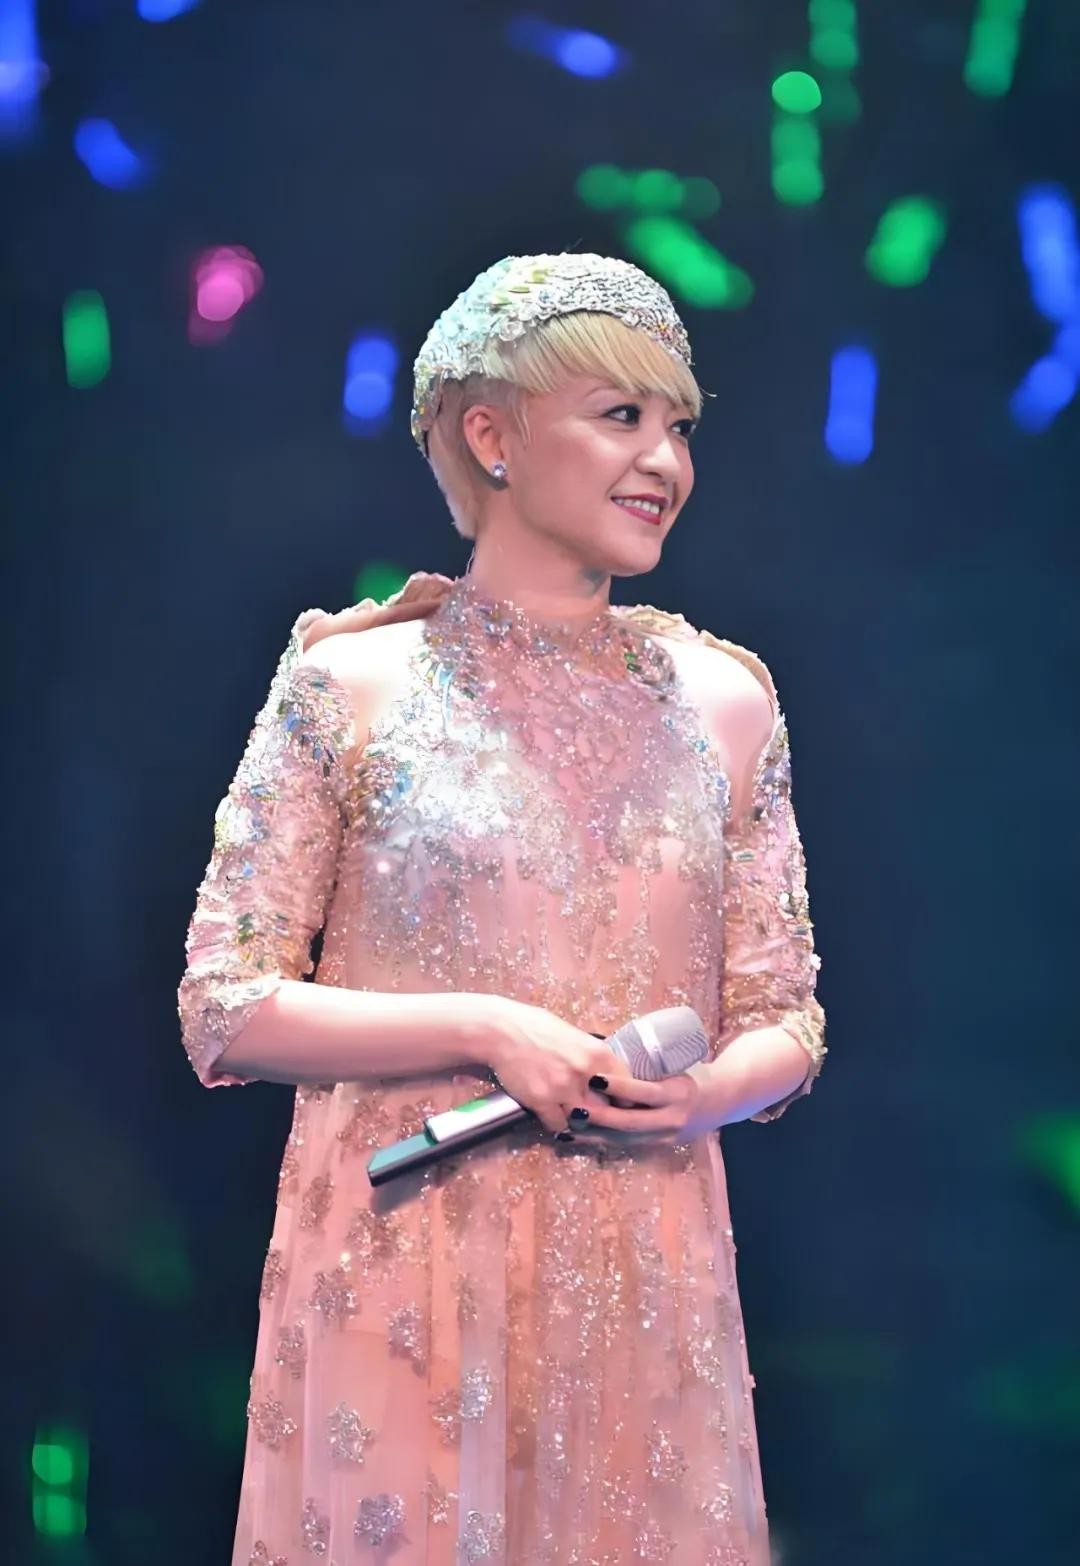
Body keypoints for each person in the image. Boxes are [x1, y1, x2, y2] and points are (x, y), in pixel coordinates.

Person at [177, 251, 827, 1565]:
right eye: (621, 415)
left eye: (679, 426)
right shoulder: (350, 682)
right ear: (492, 437)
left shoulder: (727, 702)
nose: (663, 461)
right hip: (403, 1264)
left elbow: (787, 1014)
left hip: (644, 1269)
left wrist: (703, 1095)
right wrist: (488, 1028)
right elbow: (223, 1005)